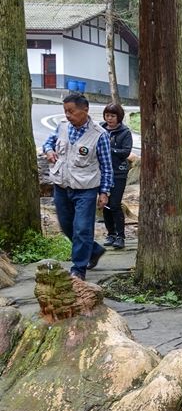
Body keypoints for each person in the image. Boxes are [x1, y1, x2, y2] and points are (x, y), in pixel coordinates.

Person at [42, 93, 113, 280]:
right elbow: (48, 142)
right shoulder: (62, 127)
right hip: (61, 186)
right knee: (67, 226)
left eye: (71, 111)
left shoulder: (99, 135)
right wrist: (49, 150)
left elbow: (106, 166)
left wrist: (104, 192)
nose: (67, 115)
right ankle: (94, 250)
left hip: (86, 189)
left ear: (85, 110)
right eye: (65, 111)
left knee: (82, 228)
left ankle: (78, 269)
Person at [100, 102, 132, 250]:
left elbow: (126, 152)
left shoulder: (125, 132)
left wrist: (109, 150)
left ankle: (121, 236)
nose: (110, 119)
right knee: (105, 204)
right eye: (107, 115)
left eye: (113, 116)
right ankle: (110, 233)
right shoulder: (100, 129)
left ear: (119, 117)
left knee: (115, 204)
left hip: (118, 172)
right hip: (102, 172)